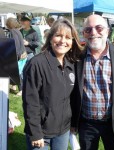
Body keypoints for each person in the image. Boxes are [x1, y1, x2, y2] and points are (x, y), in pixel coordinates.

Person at [71, 14, 114, 150]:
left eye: (99, 28)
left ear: (108, 31)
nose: (93, 33)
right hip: (87, 123)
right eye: (88, 30)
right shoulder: (76, 57)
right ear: (84, 34)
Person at [22, 18, 82, 150]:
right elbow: (30, 102)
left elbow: (71, 99)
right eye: (58, 35)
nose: (63, 41)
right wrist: (35, 133)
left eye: (67, 37)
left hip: (63, 131)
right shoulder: (37, 64)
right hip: (41, 132)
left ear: (72, 41)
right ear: (50, 38)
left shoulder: (71, 63)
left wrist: (72, 124)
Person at [6, 17, 27, 96]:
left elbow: (16, 45)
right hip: (22, 54)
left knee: (18, 74)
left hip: (19, 55)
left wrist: (16, 56)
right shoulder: (17, 31)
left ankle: (22, 90)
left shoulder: (12, 32)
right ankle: (14, 86)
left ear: (8, 24)